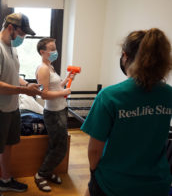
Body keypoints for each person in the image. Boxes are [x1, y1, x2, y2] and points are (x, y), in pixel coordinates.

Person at [82, 28, 172, 196]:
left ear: (125, 55)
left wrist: (95, 176)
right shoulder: (168, 94)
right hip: (156, 184)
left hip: (114, 185)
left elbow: (94, 151)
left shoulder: (109, 96)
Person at [0, 12, 41, 196]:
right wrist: (24, 91)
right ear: (10, 28)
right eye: (22, 33)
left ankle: (6, 180)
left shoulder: (12, 48)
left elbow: (12, 76)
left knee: (8, 146)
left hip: (12, 107)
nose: (23, 38)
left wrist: (26, 84)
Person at [34, 37, 76, 192]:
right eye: (51, 49)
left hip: (60, 110)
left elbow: (55, 87)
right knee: (61, 148)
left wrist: (67, 80)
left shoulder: (50, 66)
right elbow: (44, 94)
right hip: (53, 113)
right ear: (42, 52)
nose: (55, 51)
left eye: (55, 48)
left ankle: (48, 172)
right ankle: (40, 175)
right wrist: (64, 92)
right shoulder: (43, 69)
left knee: (54, 145)